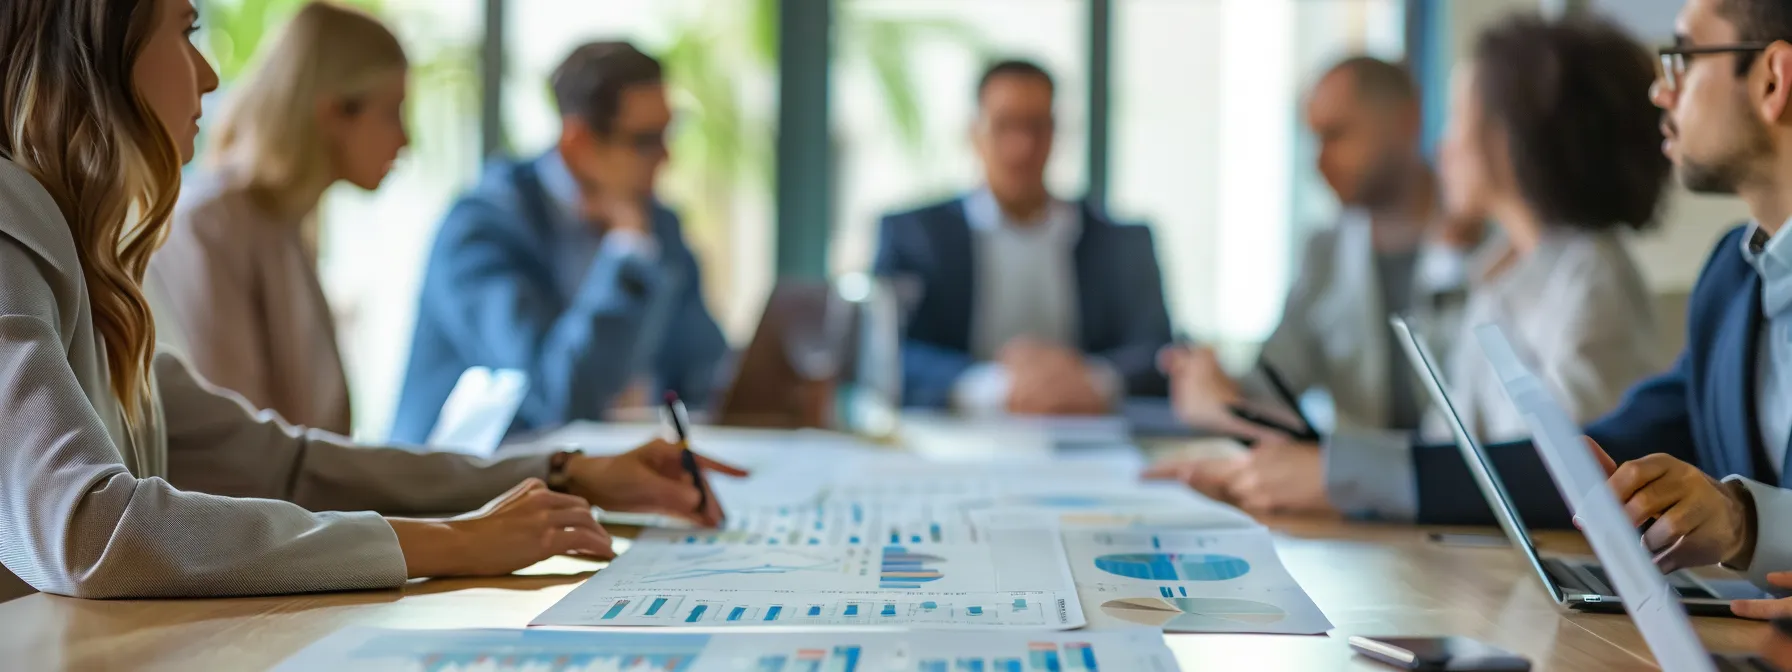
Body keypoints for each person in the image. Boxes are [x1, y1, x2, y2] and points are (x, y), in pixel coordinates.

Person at [0, 0, 741, 602]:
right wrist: (452, 542)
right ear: (92, 44)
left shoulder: (87, 251)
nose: (211, 74)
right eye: (187, 28)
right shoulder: (13, 224)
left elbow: (281, 464)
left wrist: (565, 471)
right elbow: (93, 529)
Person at [1149, 15, 1670, 521]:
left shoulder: (1591, 274)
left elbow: (1569, 470)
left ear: (1508, 139)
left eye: (1460, 120)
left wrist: (1337, 474)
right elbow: (1449, 448)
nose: (1444, 145)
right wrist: (1297, 470)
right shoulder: (1499, 276)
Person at [1542, 0, 1792, 617]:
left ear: (1773, 80)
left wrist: (1742, 522)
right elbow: (1620, 447)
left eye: (1681, 58)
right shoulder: (1732, 280)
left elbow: (1737, 520)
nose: (1659, 90)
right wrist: (1373, 475)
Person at [390, 42, 728, 443]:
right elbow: (557, 397)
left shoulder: (659, 225)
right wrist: (628, 253)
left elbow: (701, 365)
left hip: (588, 474)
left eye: (670, 132)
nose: (666, 157)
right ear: (579, 143)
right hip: (452, 494)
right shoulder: (482, 229)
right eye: (645, 141)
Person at [1164, 57, 1480, 440]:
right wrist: (1215, 385)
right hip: (1357, 492)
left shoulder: (1491, 242)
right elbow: (1277, 379)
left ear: (1406, 121)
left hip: (1470, 489)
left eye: (1337, 134)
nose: (1320, 160)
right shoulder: (1324, 252)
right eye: (1314, 138)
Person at [146, 2, 407, 437]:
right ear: (333, 112)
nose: (405, 139)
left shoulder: (286, 227)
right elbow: (235, 449)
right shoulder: (212, 226)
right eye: (392, 111)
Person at [873, 59, 1172, 416]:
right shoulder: (914, 235)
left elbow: (1159, 351)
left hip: (1090, 431)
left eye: (1036, 127)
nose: (1021, 147)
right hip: (950, 438)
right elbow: (884, 350)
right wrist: (994, 385)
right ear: (974, 133)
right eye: (1004, 126)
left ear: (1056, 133)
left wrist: (1092, 379)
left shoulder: (1123, 243)